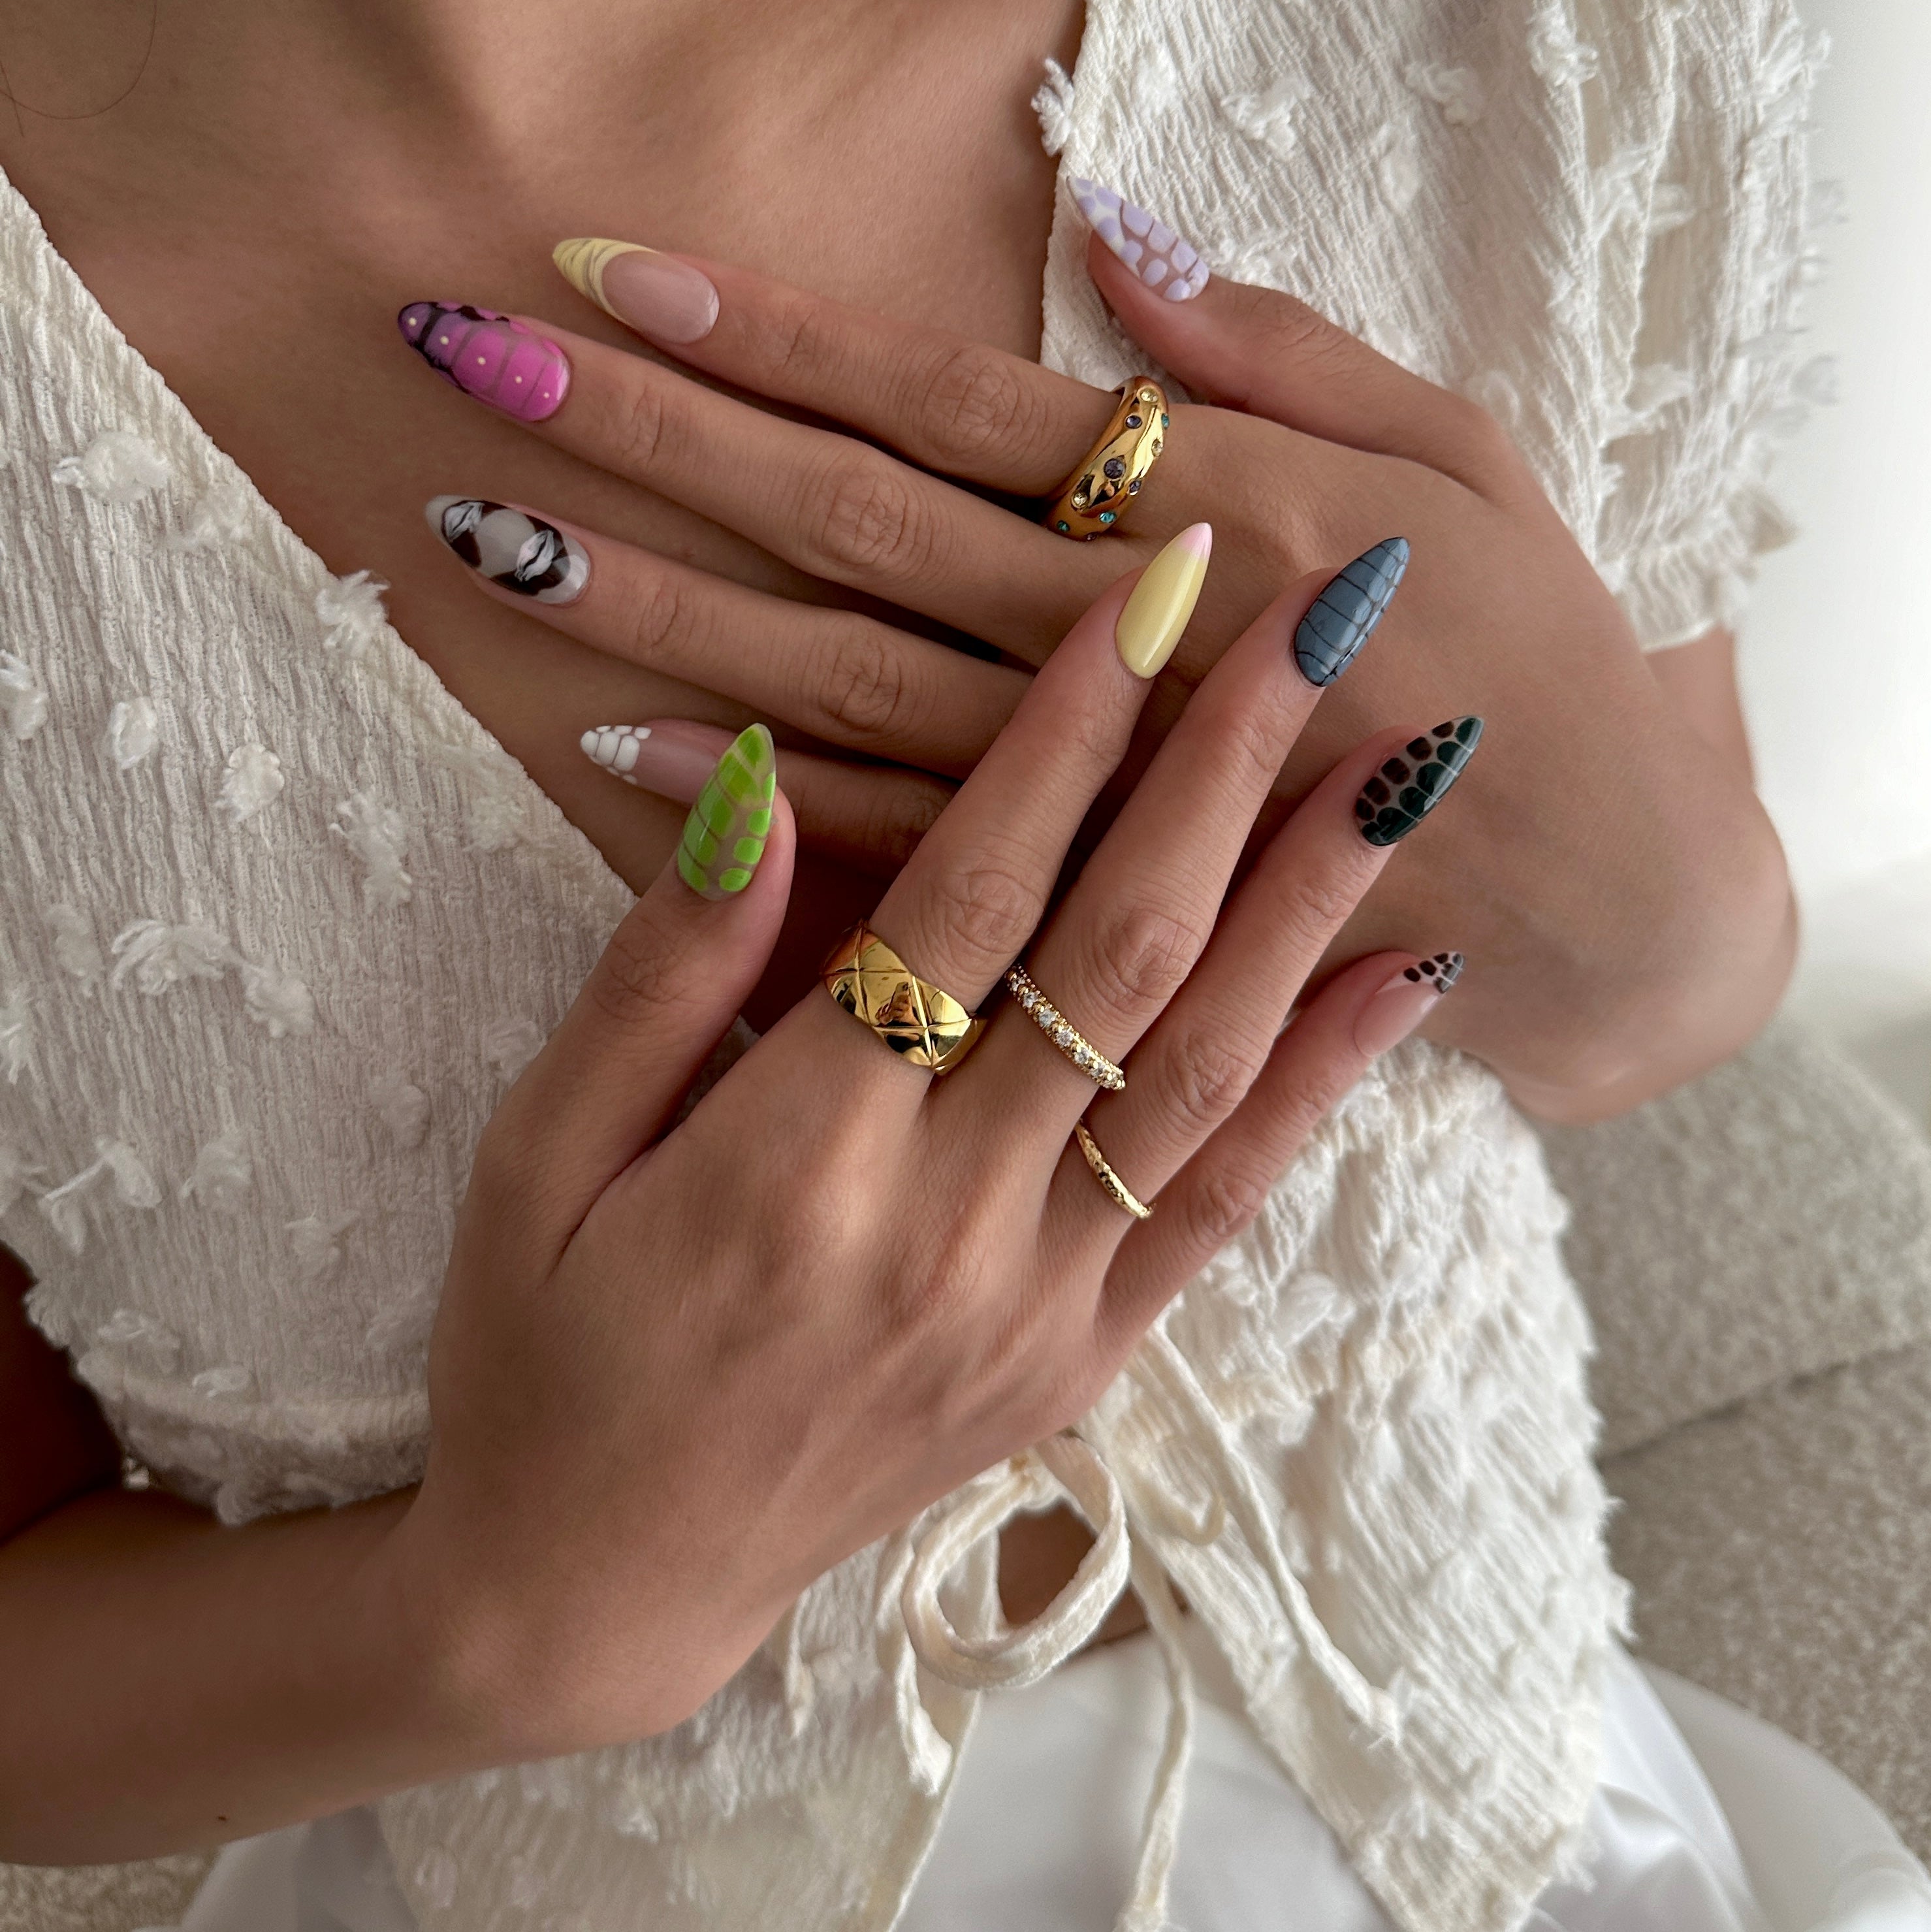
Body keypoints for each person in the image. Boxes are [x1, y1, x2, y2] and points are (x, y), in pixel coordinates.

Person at [1, 0, 1898, 1927]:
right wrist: (500, 1626)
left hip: (1535, 1842)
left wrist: (1639, 896)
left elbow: (1664, 1010)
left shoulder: (1546, 41)